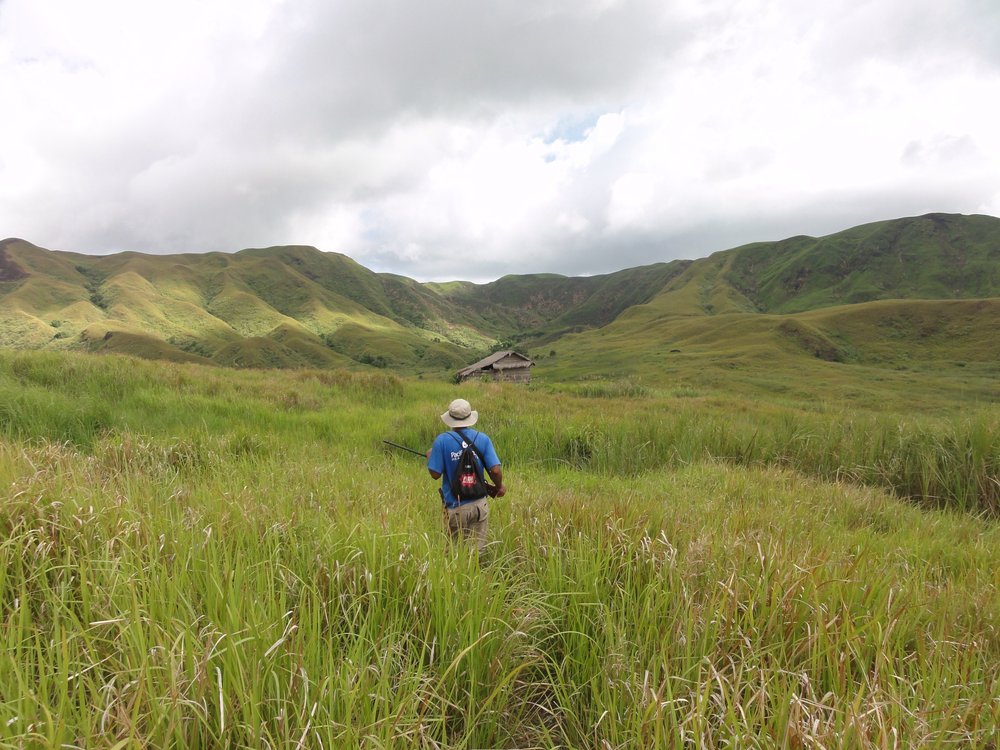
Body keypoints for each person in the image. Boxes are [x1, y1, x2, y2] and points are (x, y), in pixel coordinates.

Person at [427, 398, 506, 554]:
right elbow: (495, 471)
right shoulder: (482, 439)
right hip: (479, 506)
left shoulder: (442, 441)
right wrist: (499, 487)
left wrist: (430, 457)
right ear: (470, 417)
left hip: (456, 507)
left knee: (455, 554)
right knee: (477, 553)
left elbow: (435, 474)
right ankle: (476, 576)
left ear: (450, 418)